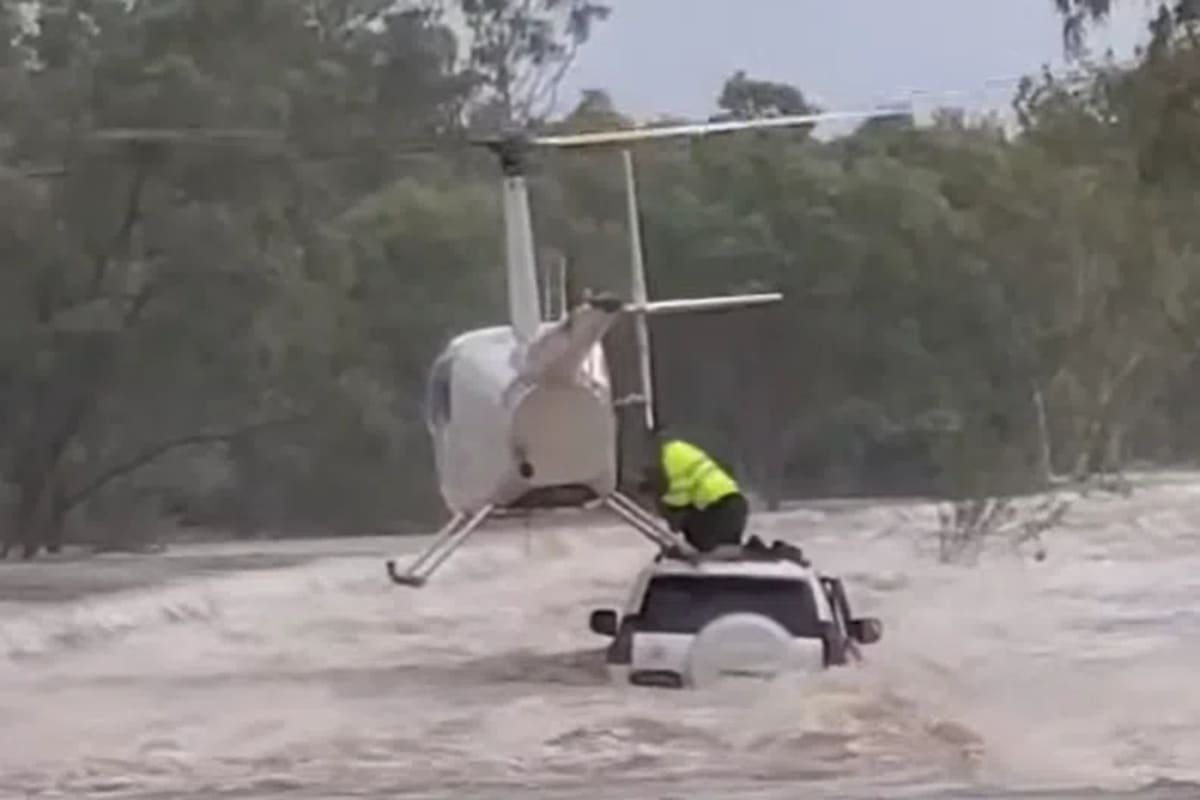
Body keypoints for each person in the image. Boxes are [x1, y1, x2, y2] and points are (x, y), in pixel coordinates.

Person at [639, 428, 750, 553]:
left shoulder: (670, 460)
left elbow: (678, 505)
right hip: (732, 505)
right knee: (721, 547)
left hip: (720, 507)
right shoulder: (677, 451)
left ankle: (711, 551)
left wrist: (662, 504)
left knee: (699, 536)